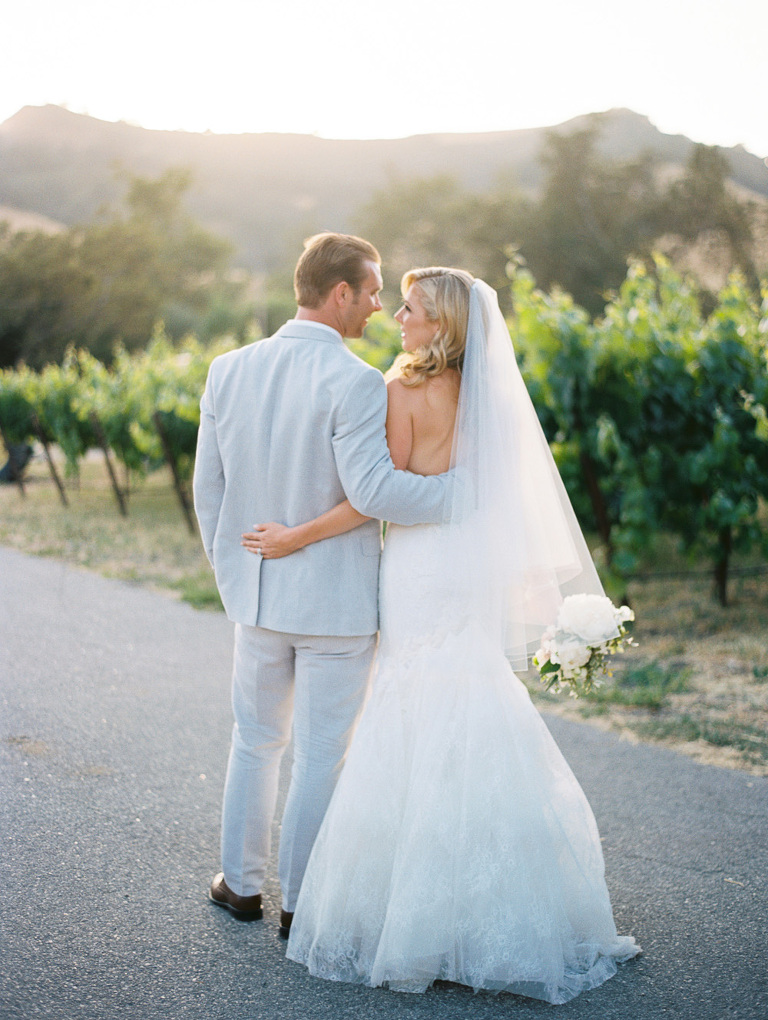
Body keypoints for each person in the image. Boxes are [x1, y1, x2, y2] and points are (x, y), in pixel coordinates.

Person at [245, 268, 640, 1003]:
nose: (397, 315)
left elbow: (373, 496)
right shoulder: (489, 401)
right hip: (462, 565)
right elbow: (489, 497)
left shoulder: (398, 391)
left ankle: (413, 909)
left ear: (443, 325)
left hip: (421, 568)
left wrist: (297, 534)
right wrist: (460, 501)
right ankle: (497, 901)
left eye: (412, 307)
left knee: (409, 702)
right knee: (471, 693)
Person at [192, 235, 450, 938]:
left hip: (258, 596)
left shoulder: (228, 369)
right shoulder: (358, 380)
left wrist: (238, 578)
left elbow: (208, 492)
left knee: (254, 741)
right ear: (338, 293)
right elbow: (372, 492)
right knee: (319, 756)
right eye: (370, 292)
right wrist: (467, 496)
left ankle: (241, 887)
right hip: (336, 608)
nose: (376, 307)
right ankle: (302, 903)